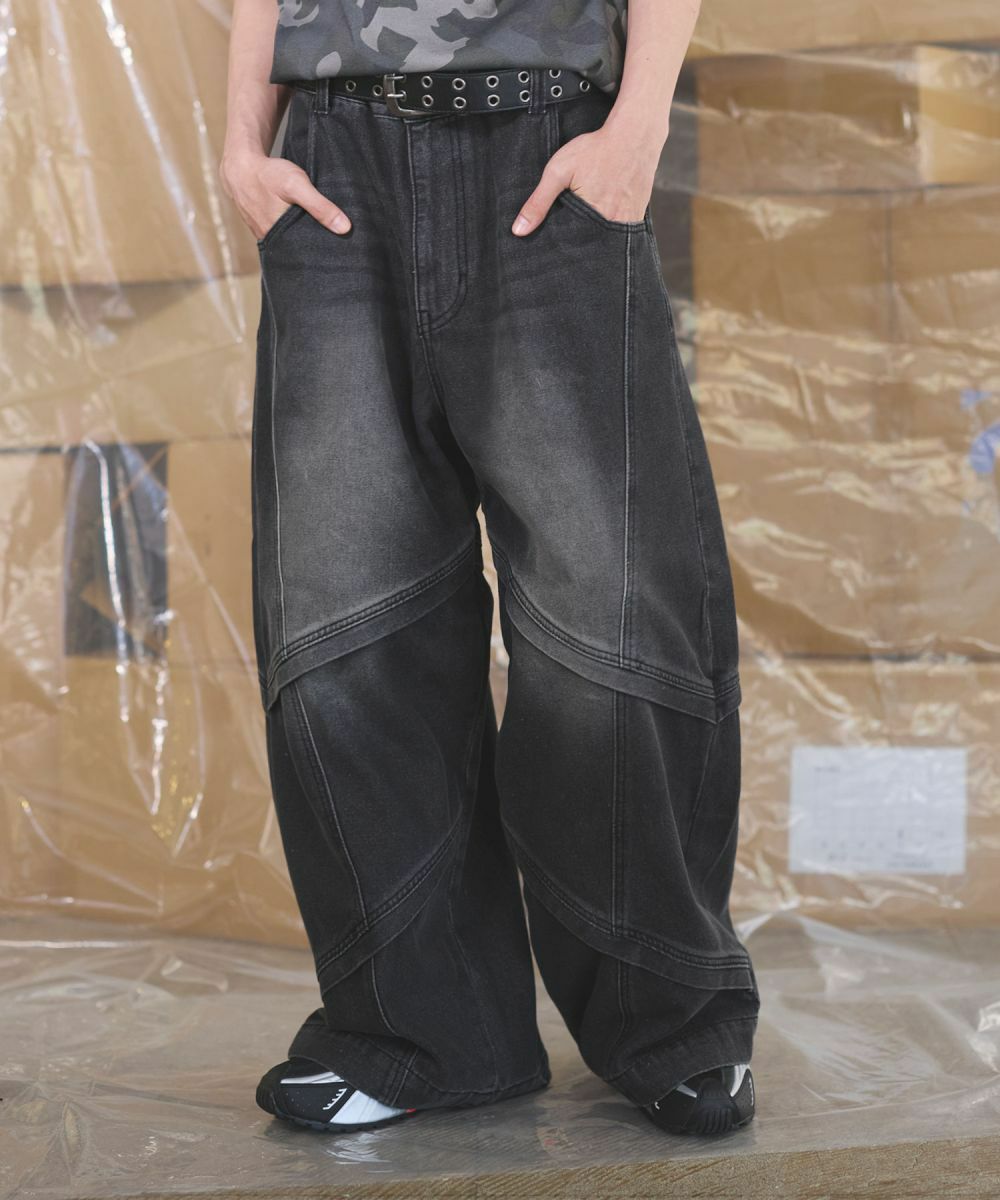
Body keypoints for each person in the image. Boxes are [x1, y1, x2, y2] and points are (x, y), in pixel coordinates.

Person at [221, 0, 760, 1139]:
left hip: (550, 143)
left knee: (608, 609)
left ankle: (667, 1023)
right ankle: (420, 1030)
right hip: (335, 158)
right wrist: (241, 141)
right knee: (348, 617)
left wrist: (638, 127)